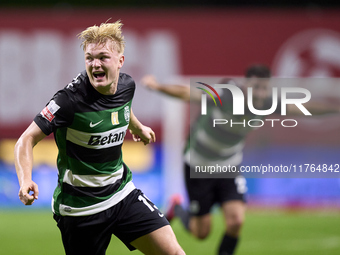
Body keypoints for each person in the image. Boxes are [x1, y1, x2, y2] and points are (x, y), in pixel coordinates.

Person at [14, 20, 185, 255]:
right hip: (80, 209)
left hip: (122, 193)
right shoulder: (68, 101)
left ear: (120, 61)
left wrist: (137, 127)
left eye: (103, 57)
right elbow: (25, 140)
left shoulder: (127, 85)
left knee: (174, 253)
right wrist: (24, 180)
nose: (95, 64)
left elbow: (123, 107)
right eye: (89, 58)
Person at [141, 65, 340, 255]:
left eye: (263, 88)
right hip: (198, 165)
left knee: (236, 221)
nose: (259, 93)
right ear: (246, 86)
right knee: (201, 233)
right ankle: (176, 207)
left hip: (229, 165)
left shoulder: (269, 103)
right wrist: (157, 86)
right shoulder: (227, 97)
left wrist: (336, 108)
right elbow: (188, 94)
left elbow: (304, 107)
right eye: (255, 87)